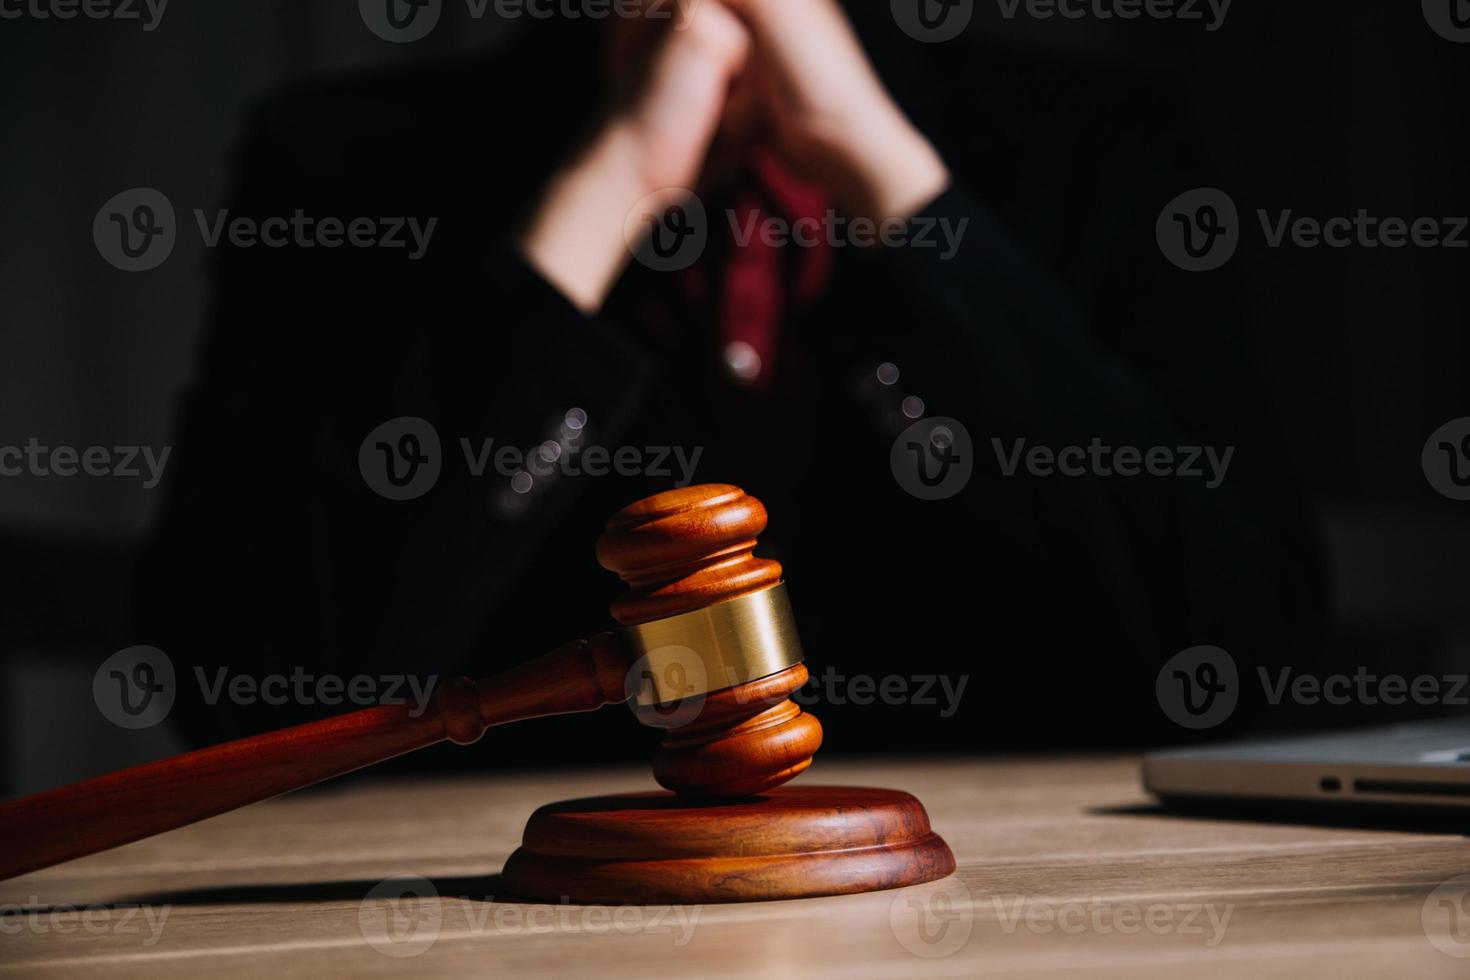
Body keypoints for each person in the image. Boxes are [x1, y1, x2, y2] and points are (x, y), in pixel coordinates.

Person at [137, 0, 1323, 771]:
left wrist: (887, 176)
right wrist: (606, 188)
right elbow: (249, 701)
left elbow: (1239, 655)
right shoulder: (339, 163)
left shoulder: (1097, 146)